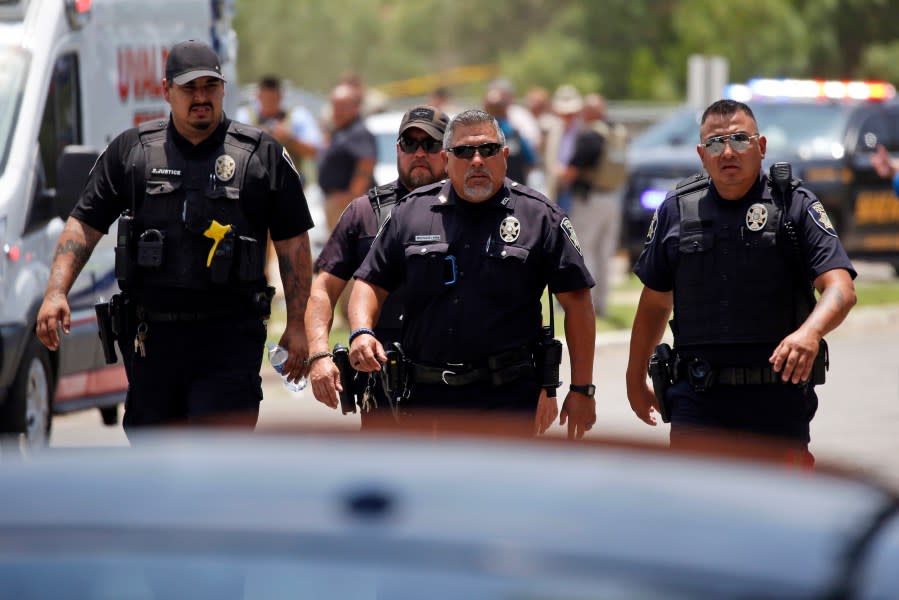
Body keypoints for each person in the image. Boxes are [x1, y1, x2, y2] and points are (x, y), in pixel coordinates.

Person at [35, 40, 314, 433]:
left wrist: (299, 324)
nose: (201, 97)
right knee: (154, 465)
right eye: (189, 88)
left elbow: (293, 242)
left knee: (216, 463)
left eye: (209, 86)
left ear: (222, 89)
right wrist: (55, 291)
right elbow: (84, 222)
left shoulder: (261, 155)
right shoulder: (133, 152)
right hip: (153, 342)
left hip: (229, 339)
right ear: (167, 91)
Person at [625, 99, 857, 457]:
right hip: (697, 401)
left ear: (760, 147)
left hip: (776, 401)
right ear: (702, 155)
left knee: (779, 509)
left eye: (740, 139)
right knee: (696, 509)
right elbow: (655, 301)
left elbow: (840, 287)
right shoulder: (676, 209)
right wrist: (634, 377)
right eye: (716, 143)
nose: (728, 151)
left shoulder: (794, 203)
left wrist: (810, 333)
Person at [347, 109, 597, 438]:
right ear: (447, 159)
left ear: (504, 156)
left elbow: (577, 302)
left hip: (507, 400)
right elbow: (369, 282)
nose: (476, 160)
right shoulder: (411, 213)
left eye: (488, 150)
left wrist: (581, 390)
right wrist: (361, 331)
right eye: (464, 152)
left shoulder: (540, 217)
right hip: (425, 399)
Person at [305, 105, 449, 425]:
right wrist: (318, 355)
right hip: (385, 376)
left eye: (431, 144)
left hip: (455, 379)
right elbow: (323, 288)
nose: (420, 153)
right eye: (410, 144)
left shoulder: (470, 209)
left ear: (448, 151)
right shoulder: (365, 212)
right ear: (398, 149)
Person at [563, 93, 626, 317]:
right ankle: (602, 306)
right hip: (613, 198)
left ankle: (585, 304)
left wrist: (560, 182)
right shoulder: (616, 131)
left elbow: (572, 168)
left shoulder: (592, 135)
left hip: (591, 199)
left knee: (584, 249)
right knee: (604, 253)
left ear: (590, 112)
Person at [235, 75, 323, 181]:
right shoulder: (244, 116)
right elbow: (231, 145)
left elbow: (315, 151)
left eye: (273, 99)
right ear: (258, 97)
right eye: (266, 99)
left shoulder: (297, 116)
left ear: (281, 96)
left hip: (289, 181)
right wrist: (256, 135)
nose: (269, 103)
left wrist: (289, 139)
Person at [318, 82, 377, 233]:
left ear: (355, 107)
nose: (337, 111)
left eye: (342, 107)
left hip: (348, 205)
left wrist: (350, 197)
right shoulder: (340, 131)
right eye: (335, 106)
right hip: (338, 204)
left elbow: (366, 163)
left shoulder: (358, 132)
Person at [543, 84, 584, 215]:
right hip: (557, 187)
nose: (567, 116)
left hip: (576, 189)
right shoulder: (554, 129)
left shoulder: (583, 131)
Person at [483, 87, 538, 186]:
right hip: (514, 189)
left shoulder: (478, 134)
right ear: (505, 109)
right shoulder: (513, 131)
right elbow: (531, 160)